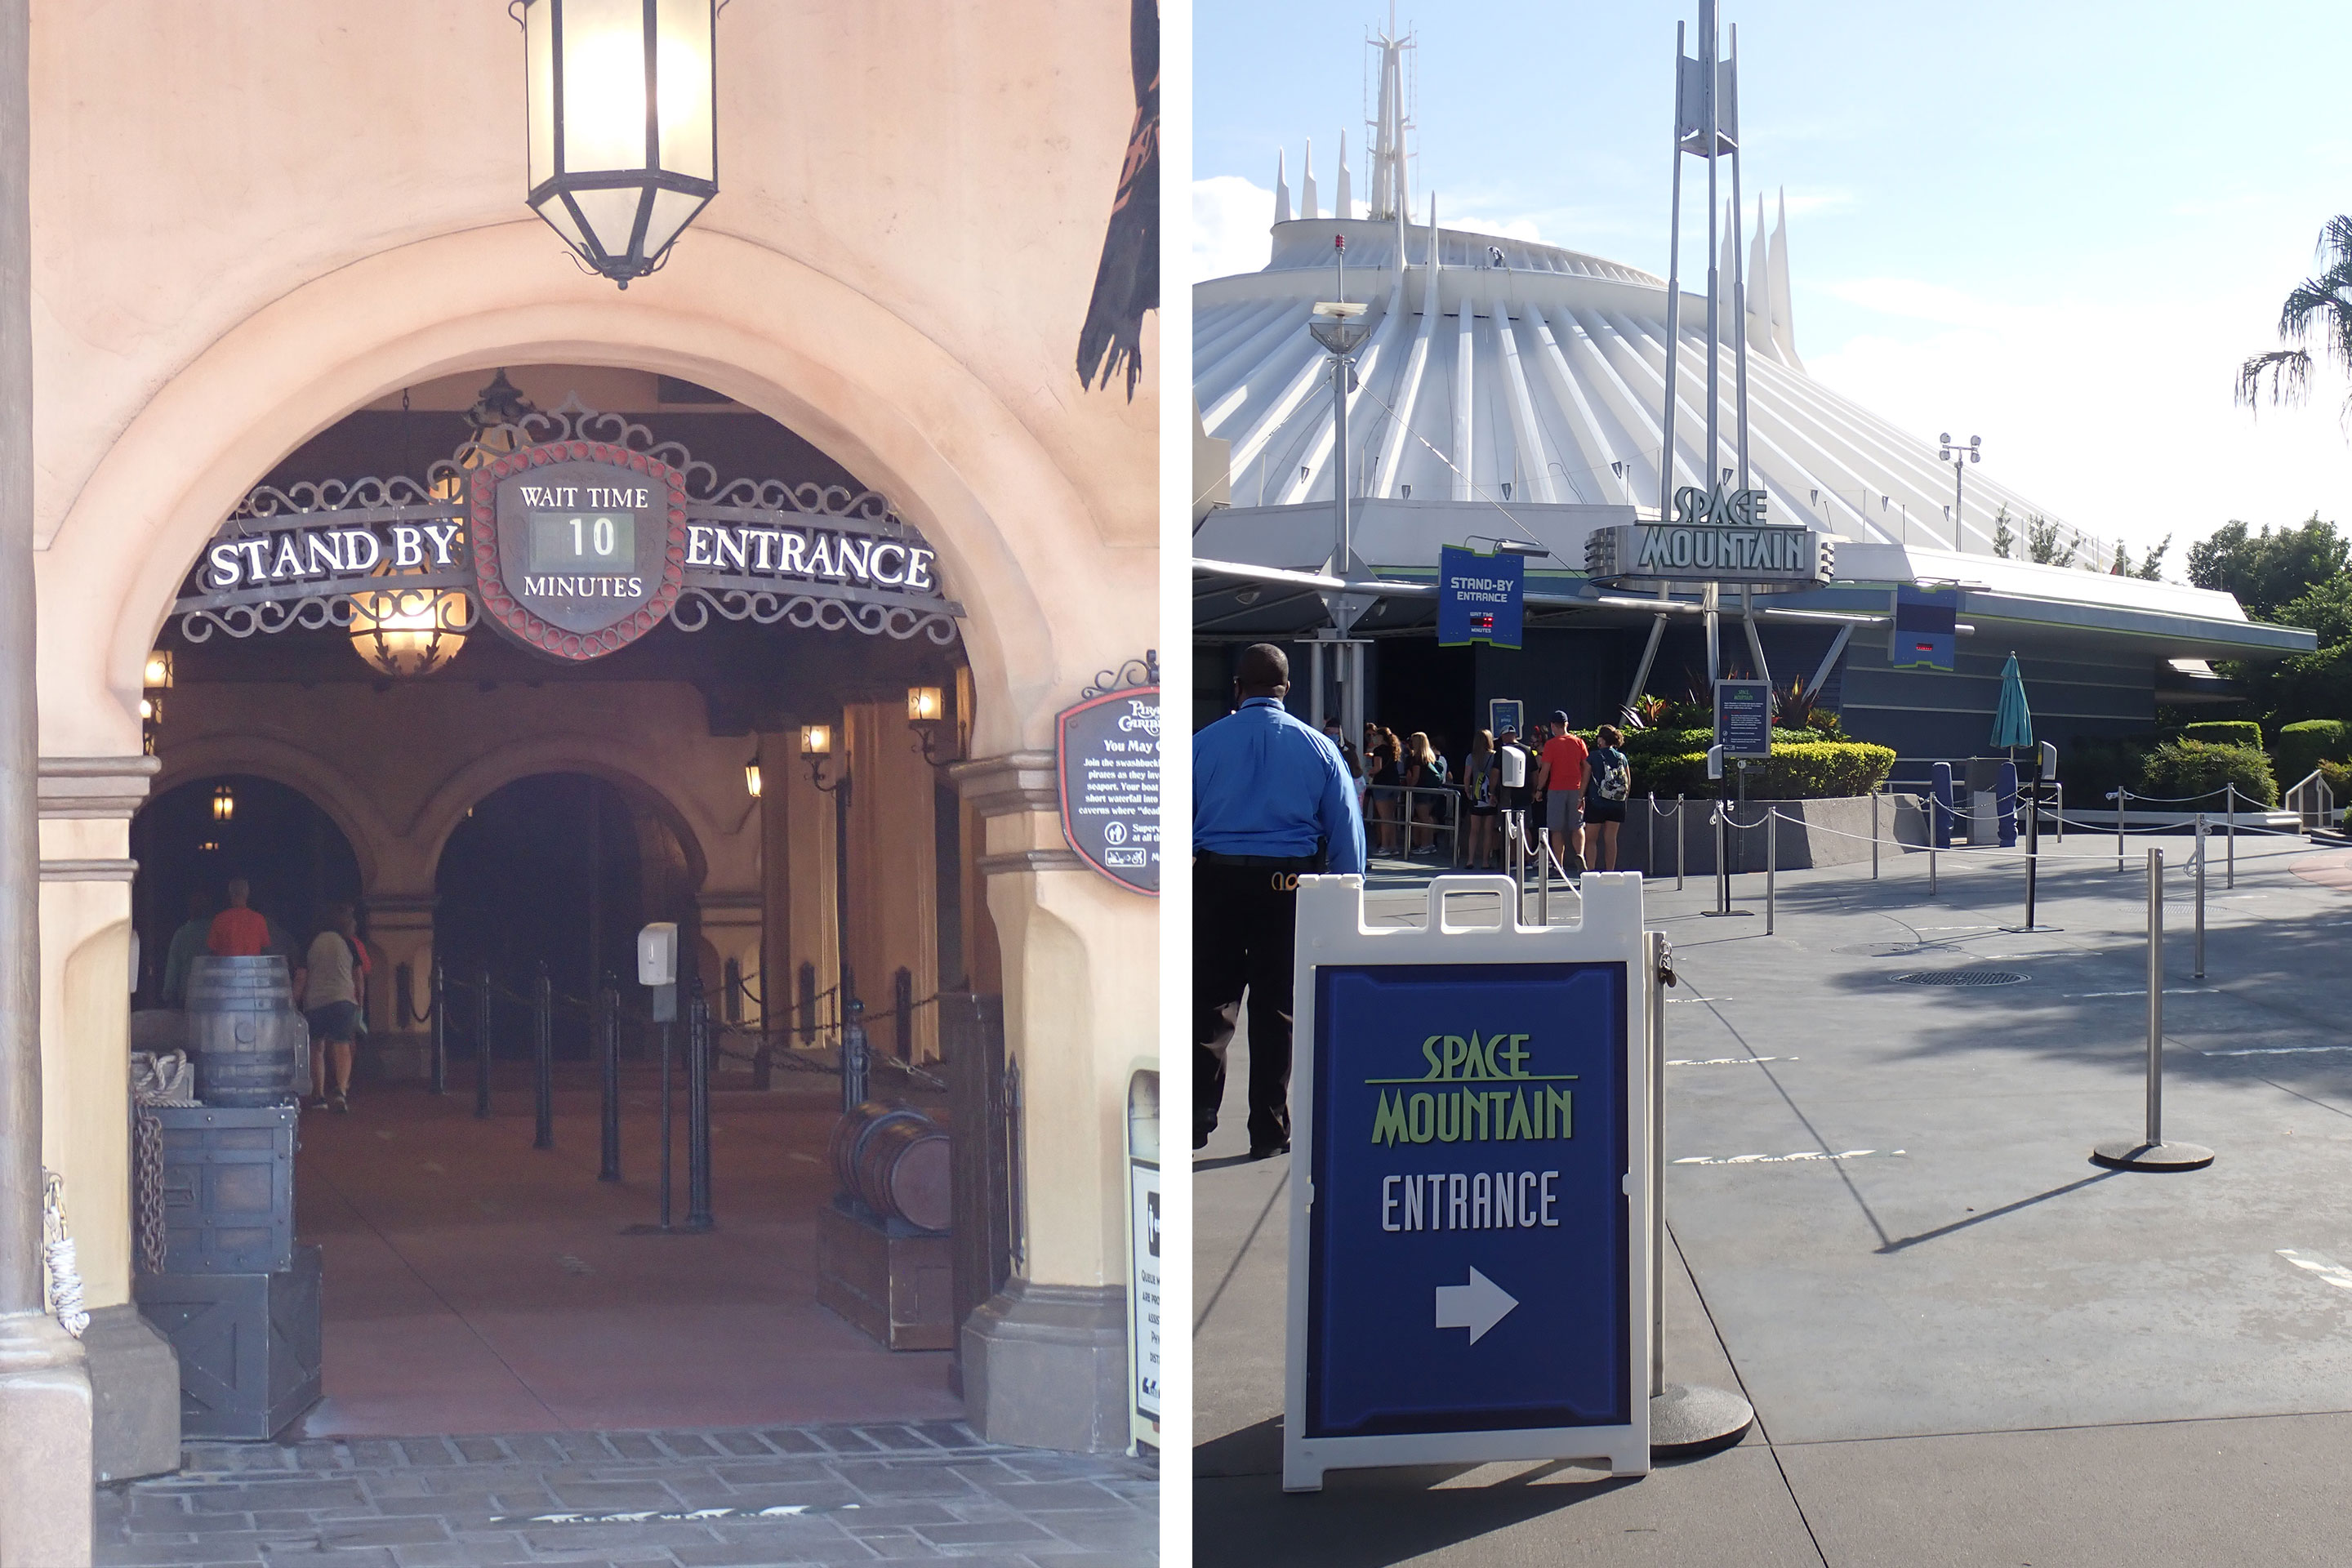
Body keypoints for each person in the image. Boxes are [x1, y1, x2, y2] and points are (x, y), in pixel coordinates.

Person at [1195, 644, 1365, 1158]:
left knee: (1210, 1004)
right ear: (1286, 689)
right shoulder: (1319, 747)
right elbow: (1347, 836)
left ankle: (1196, 1118)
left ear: (1237, 688)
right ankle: (1268, 1130)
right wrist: (1348, 899)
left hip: (1217, 883)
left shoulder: (1201, 744)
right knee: (1276, 1011)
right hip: (1287, 890)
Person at [301, 903, 363, 1113]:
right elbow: (359, 977)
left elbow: (302, 976)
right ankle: (341, 1091)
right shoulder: (349, 943)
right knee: (342, 1045)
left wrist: (294, 1001)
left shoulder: (311, 943)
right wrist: (360, 1001)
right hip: (343, 1000)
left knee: (317, 1048)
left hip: (316, 1001)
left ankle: (318, 1095)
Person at [1535, 711, 1589, 875]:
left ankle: (1559, 866)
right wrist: (1583, 789)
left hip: (1556, 789)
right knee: (1577, 826)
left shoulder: (1551, 744)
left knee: (1556, 829)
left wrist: (1539, 789)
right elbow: (1586, 766)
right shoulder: (1579, 742)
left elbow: (1545, 770)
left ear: (1552, 725)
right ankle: (1580, 854)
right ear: (1567, 724)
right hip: (1576, 789)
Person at [1584, 724, 1633, 872]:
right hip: (1617, 804)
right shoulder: (1622, 758)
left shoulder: (1593, 756)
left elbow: (1585, 780)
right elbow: (1628, 783)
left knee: (1591, 838)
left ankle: (1591, 871)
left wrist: (1580, 798)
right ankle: (1610, 871)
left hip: (1596, 802)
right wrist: (1622, 800)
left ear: (1601, 740)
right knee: (1611, 838)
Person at [160, 889, 216, 1006]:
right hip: (215, 994)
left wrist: (169, 994)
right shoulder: (217, 932)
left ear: (190, 910)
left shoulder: (182, 934)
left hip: (188, 996)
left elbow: (173, 968)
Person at [206, 877, 270, 956]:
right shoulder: (259, 919)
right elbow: (265, 949)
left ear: (230, 893)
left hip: (226, 968)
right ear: (247, 893)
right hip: (252, 968)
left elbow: (212, 950)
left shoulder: (219, 919)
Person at [1462, 730, 1499, 869]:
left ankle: (1470, 860)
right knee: (1488, 831)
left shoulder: (1471, 757)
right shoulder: (1494, 756)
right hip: (1490, 795)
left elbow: (1467, 776)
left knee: (1474, 830)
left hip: (1476, 796)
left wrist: (1468, 790)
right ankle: (1485, 861)